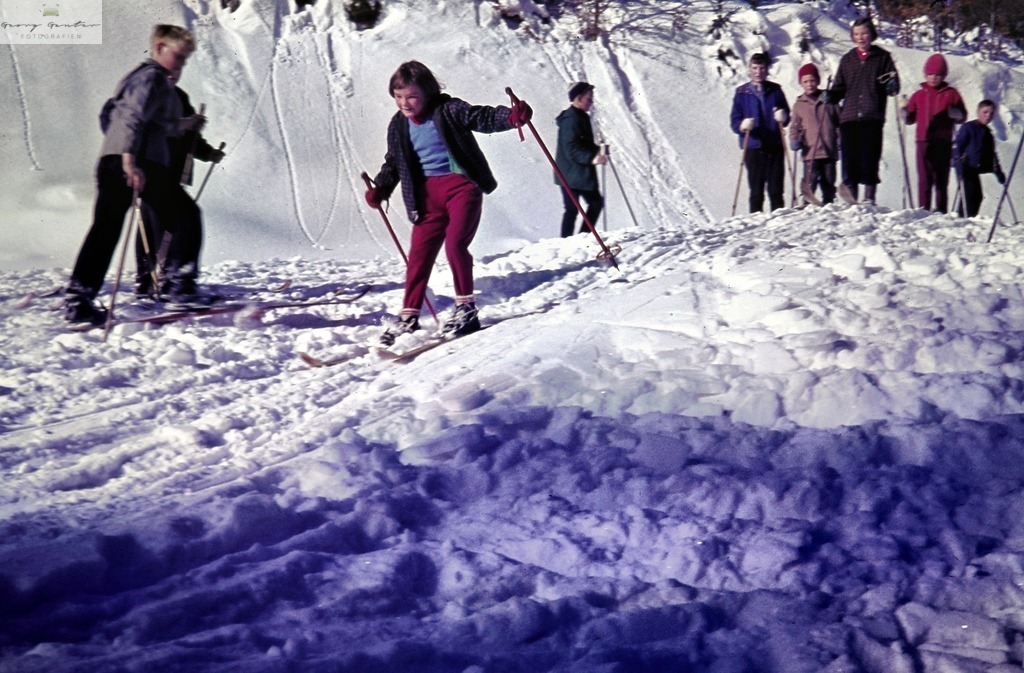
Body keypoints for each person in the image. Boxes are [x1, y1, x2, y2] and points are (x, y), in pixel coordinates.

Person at [364, 61, 531, 346]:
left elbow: (482, 117)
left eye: (412, 96)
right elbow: (395, 161)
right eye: (398, 96)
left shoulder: (449, 110)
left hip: (460, 187)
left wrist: (511, 117)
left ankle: (466, 309)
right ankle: (409, 316)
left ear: (427, 93)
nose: (405, 103)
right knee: (419, 255)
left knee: (455, 245)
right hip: (425, 197)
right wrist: (381, 188)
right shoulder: (398, 125)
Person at [64, 24, 206, 324]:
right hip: (139, 163)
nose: (180, 64)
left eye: (184, 59)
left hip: (113, 162)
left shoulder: (140, 79)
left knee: (106, 228)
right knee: (185, 216)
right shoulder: (152, 77)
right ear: (158, 48)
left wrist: (187, 124)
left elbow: (116, 117)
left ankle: (79, 298)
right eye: (177, 56)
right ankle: (178, 287)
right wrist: (130, 160)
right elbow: (131, 117)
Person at [135, 79, 225, 297]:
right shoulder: (147, 93)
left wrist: (208, 153)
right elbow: (144, 128)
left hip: (168, 174)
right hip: (153, 171)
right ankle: (172, 283)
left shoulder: (178, 96)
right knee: (174, 221)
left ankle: (152, 280)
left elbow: (191, 138)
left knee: (158, 224)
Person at [827, 17, 900, 205]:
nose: (861, 38)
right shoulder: (848, 59)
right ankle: (851, 196)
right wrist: (832, 96)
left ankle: (869, 198)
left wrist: (891, 84)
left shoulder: (882, 58)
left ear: (871, 35)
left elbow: (891, 84)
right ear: (852, 37)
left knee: (869, 157)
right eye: (857, 34)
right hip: (849, 117)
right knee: (850, 159)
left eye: (864, 33)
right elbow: (839, 87)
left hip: (871, 116)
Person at [901, 54, 966, 212]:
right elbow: (910, 119)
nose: (934, 78)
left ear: (943, 75)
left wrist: (955, 113)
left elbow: (963, 116)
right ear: (925, 74)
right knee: (924, 179)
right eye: (930, 74)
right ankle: (924, 210)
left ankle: (941, 211)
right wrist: (904, 112)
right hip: (923, 141)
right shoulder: (919, 95)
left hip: (942, 142)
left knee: (941, 179)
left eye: (938, 74)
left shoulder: (951, 93)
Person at [730, 52, 790, 213]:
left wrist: (783, 116)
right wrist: (742, 125)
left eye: (762, 68)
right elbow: (734, 121)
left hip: (775, 144)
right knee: (756, 191)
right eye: (755, 68)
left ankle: (779, 222)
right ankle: (756, 225)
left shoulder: (775, 90)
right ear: (749, 69)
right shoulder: (741, 93)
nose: (758, 72)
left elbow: (787, 116)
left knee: (776, 189)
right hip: (753, 146)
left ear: (767, 69)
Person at [554, 82, 607, 238]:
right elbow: (572, 148)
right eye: (589, 99)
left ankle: (578, 238)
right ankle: (573, 240)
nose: (591, 102)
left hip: (574, 173)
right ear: (578, 98)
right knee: (578, 208)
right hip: (572, 173)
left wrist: (598, 149)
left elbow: (581, 143)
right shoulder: (572, 119)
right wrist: (593, 158)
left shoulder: (580, 116)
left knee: (582, 207)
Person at [789, 62, 839, 206]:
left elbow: (839, 122)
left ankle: (829, 204)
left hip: (829, 149)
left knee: (828, 182)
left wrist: (840, 139)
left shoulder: (829, 100)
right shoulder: (799, 104)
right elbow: (795, 127)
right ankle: (806, 204)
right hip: (810, 151)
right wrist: (795, 140)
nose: (809, 84)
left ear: (818, 81)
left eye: (812, 80)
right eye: (805, 81)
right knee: (810, 181)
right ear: (801, 83)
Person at [955, 100, 1006, 217]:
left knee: (977, 196)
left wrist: (998, 172)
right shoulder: (968, 127)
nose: (988, 116)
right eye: (985, 112)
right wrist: (959, 165)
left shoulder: (988, 133)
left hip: (975, 168)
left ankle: (970, 219)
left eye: (991, 113)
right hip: (966, 167)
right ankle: (961, 219)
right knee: (968, 195)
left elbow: (992, 155)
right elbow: (958, 146)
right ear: (978, 112)